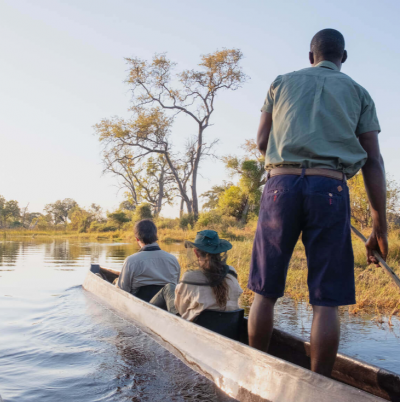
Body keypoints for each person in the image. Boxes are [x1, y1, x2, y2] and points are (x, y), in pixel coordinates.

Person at [248, 28, 388, 377]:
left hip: (280, 187)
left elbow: (262, 140)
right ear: (342, 58)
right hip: (330, 190)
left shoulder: (281, 83)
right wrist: (379, 226)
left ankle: (254, 371)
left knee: (264, 293)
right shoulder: (358, 92)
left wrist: (285, 168)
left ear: (311, 57)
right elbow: (373, 161)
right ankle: (320, 386)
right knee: (326, 302)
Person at [150, 230, 243, 321]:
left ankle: (146, 312)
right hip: (228, 327)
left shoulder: (190, 278)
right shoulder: (231, 272)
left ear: (196, 252)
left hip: (194, 330)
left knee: (169, 287)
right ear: (219, 252)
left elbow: (180, 310)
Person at [116, 219, 180, 298]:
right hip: (166, 307)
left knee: (116, 282)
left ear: (137, 239)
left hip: (138, 305)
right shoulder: (173, 259)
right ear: (155, 235)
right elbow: (176, 286)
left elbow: (122, 291)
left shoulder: (131, 261)